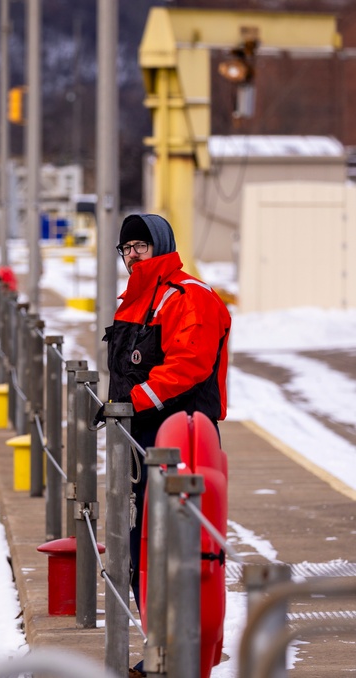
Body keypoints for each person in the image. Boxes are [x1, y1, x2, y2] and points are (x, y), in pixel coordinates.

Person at [99, 213, 231, 678]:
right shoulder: (137, 300)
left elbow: (189, 364)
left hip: (182, 439)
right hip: (142, 438)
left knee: (176, 544)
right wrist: (118, 408)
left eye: (140, 245)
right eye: (126, 248)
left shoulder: (188, 296)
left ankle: (185, 649)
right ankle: (162, 647)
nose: (132, 255)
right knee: (141, 546)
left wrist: (130, 401)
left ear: (161, 245)